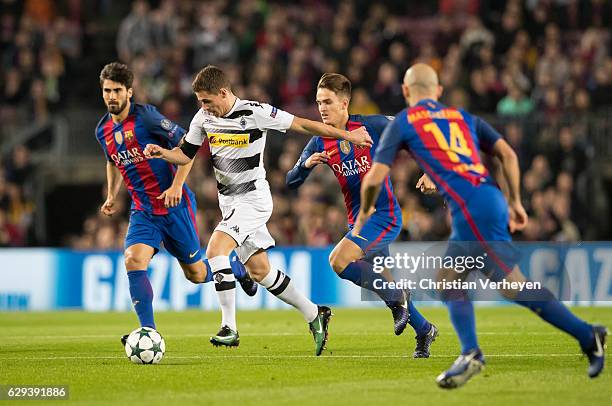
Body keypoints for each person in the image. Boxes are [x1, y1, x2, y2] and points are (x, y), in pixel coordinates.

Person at [354, 63, 607, 388]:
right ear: (439, 92)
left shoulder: (404, 121)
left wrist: (363, 214)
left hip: (472, 209)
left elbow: (375, 175)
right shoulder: (462, 117)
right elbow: (508, 155)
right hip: (489, 200)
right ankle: (588, 335)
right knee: (470, 281)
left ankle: (474, 353)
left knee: (476, 283)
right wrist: (515, 201)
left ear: (406, 92)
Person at [143, 65, 373, 355]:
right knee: (260, 271)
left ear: (224, 93)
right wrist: (162, 153)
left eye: (207, 101)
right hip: (229, 204)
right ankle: (315, 313)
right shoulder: (203, 118)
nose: (203, 107)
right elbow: (184, 154)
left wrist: (348, 137)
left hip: (253, 200)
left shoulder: (255, 112)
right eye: (201, 102)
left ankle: (230, 328)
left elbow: (303, 124)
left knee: (215, 250)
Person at [95, 62, 257, 346]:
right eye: (107, 90)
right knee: (133, 260)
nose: (111, 96)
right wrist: (112, 194)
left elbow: (187, 146)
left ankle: (236, 265)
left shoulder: (147, 119)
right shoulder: (102, 130)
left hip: (175, 207)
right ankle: (148, 330)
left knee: (196, 274)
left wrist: (176, 185)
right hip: (143, 211)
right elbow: (112, 160)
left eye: (117, 91)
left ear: (129, 92)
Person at [286, 73, 438, 357]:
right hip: (358, 221)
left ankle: (398, 297)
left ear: (344, 103)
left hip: (385, 215)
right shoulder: (321, 140)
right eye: (318, 102)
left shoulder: (372, 125)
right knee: (386, 286)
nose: (321, 108)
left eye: (328, 102)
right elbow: (290, 180)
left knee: (339, 261)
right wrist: (306, 165)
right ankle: (425, 330)